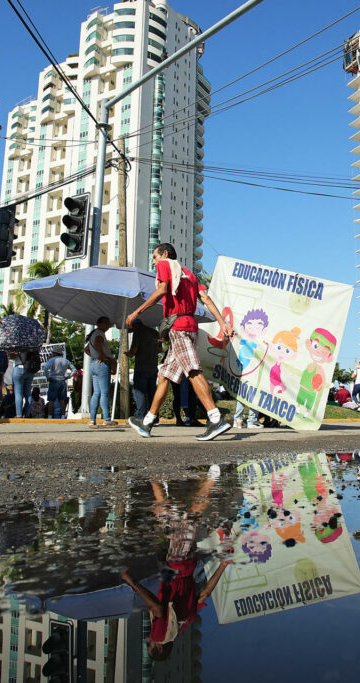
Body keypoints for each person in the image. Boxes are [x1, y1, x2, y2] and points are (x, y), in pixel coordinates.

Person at [125, 243, 234, 441]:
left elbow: (161, 291)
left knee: (192, 370)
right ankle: (147, 421)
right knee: (165, 376)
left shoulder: (165, 265)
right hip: (190, 326)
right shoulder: (189, 275)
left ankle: (215, 417)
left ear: (165, 254)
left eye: (155, 257)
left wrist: (136, 312)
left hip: (179, 328)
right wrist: (222, 323)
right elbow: (206, 298)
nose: (154, 261)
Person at [120, 477, 232, 662]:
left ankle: (155, 478)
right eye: (149, 645)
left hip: (185, 566)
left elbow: (204, 594)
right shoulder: (160, 635)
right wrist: (131, 582)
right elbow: (156, 608)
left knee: (170, 515)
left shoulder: (184, 623)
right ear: (159, 647)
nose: (148, 639)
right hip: (177, 564)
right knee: (188, 519)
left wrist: (222, 566)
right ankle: (212, 477)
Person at [126, 320, 160, 420]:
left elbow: (133, 350)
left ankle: (140, 416)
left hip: (141, 367)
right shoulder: (155, 333)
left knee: (139, 392)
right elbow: (159, 350)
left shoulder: (138, 332)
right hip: (153, 366)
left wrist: (128, 354)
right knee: (152, 393)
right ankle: (154, 417)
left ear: (134, 326)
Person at [85, 316, 115, 427]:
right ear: (99, 324)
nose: (108, 325)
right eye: (106, 323)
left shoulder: (94, 333)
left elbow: (86, 349)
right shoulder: (99, 334)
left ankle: (92, 419)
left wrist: (95, 355)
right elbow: (98, 343)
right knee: (104, 393)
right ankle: (107, 419)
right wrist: (102, 355)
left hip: (93, 364)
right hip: (102, 364)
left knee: (96, 393)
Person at [42, 349, 75, 419]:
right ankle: (63, 416)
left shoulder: (52, 360)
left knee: (51, 400)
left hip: (54, 380)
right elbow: (74, 369)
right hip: (62, 381)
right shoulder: (65, 361)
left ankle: (50, 416)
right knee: (62, 400)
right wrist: (68, 376)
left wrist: (47, 377)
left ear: (55, 353)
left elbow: (45, 368)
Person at [9, 351, 36, 418]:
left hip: (19, 368)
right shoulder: (32, 345)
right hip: (30, 370)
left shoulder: (19, 344)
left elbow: (13, 356)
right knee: (28, 394)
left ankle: (19, 415)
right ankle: (27, 414)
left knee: (18, 393)